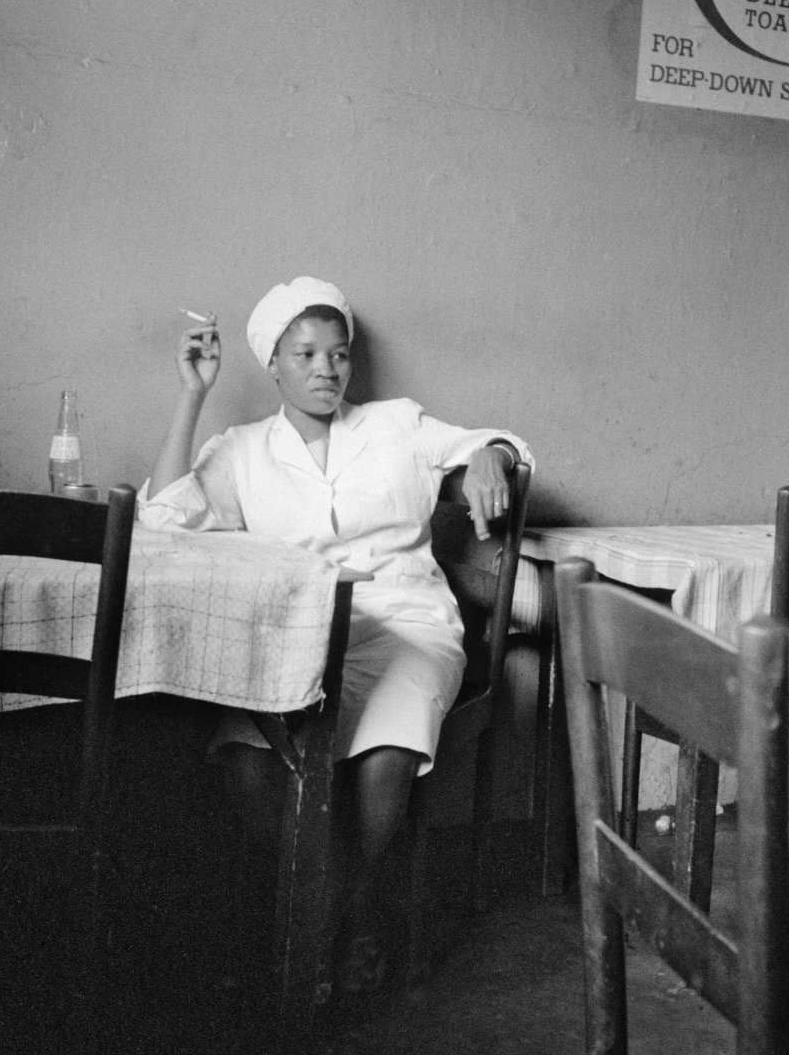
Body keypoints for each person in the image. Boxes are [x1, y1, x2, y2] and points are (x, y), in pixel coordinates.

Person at [139, 277, 533, 990]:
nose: (327, 368)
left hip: (404, 623)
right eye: (307, 353)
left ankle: (349, 914)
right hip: (297, 634)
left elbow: (498, 444)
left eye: (339, 353)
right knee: (245, 756)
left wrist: (488, 457)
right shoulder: (242, 450)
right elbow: (164, 519)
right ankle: (323, 902)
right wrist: (192, 394)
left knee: (388, 746)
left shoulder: (394, 425)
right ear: (274, 364)